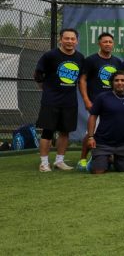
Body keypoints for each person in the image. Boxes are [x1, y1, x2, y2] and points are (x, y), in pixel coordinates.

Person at [34, 28, 85, 171]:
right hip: (51, 101)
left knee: (65, 132)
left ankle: (59, 161)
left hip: (69, 101)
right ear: (60, 40)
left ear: (77, 41)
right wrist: (47, 90)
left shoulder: (80, 58)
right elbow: (38, 75)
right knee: (47, 132)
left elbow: (81, 79)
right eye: (66, 38)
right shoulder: (50, 56)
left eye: (72, 39)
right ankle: (44, 163)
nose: (69, 41)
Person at [77, 32, 122, 169]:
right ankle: (83, 159)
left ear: (113, 44)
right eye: (105, 42)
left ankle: (109, 157)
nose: (108, 44)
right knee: (91, 133)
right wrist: (86, 100)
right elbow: (82, 80)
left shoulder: (117, 61)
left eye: (110, 42)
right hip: (96, 103)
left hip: (113, 103)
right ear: (99, 44)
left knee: (112, 131)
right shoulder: (91, 60)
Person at [85, 71, 124, 174]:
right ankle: (100, 159)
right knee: (98, 171)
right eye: (116, 80)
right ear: (112, 83)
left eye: (123, 80)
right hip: (103, 142)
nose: (119, 83)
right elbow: (93, 116)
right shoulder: (102, 97)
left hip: (123, 143)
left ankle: (111, 159)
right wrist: (91, 137)